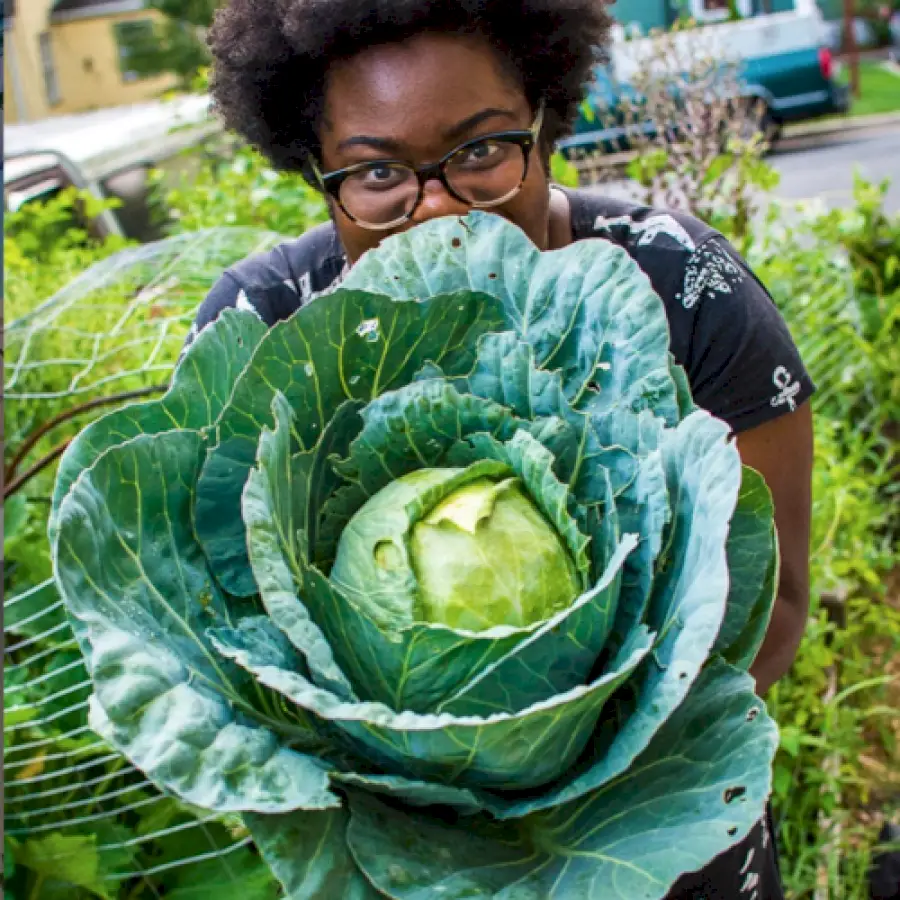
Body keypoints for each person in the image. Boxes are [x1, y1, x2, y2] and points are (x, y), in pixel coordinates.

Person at [194, 1, 814, 896]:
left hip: (654, 824)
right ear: (314, 169)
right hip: (407, 860)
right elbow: (217, 641)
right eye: (376, 172)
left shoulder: (685, 292)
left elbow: (776, 608)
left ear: (545, 119)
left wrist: (559, 757)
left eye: (482, 151)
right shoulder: (264, 325)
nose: (440, 206)